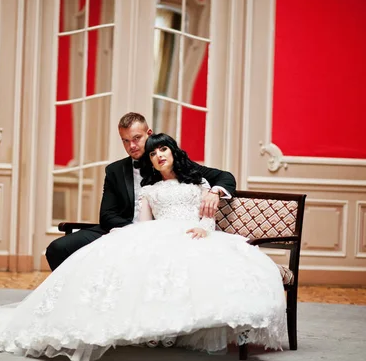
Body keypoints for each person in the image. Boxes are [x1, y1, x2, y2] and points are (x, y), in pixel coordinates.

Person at [0, 133, 287, 361]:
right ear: (149, 161)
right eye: (153, 154)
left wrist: (204, 225)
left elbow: (208, 209)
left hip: (195, 230)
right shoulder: (149, 191)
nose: (157, 155)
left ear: (172, 151)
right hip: (157, 233)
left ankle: (187, 328)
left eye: (161, 148)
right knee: (130, 262)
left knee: (212, 265)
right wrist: (140, 238)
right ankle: (145, 329)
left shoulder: (198, 180)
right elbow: (142, 223)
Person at [45, 112, 236, 271]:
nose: (132, 146)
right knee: (57, 248)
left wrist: (214, 192)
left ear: (149, 133)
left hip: (166, 237)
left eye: (137, 138)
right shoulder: (115, 171)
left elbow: (225, 177)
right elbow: (107, 215)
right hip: (122, 230)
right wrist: (134, 233)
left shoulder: (174, 164)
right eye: (126, 141)